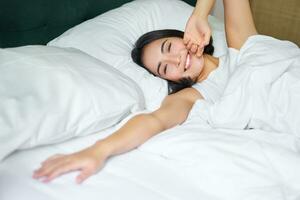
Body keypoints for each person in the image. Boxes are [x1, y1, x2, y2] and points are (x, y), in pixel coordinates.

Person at [32, 0, 287, 184]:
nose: (176, 60)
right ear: (169, 80)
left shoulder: (242, 45)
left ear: (182, 35)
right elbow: (155, 120)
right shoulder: (194, 96)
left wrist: (199, 14)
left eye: (169, 47)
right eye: (165, 68)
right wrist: (98, 150)